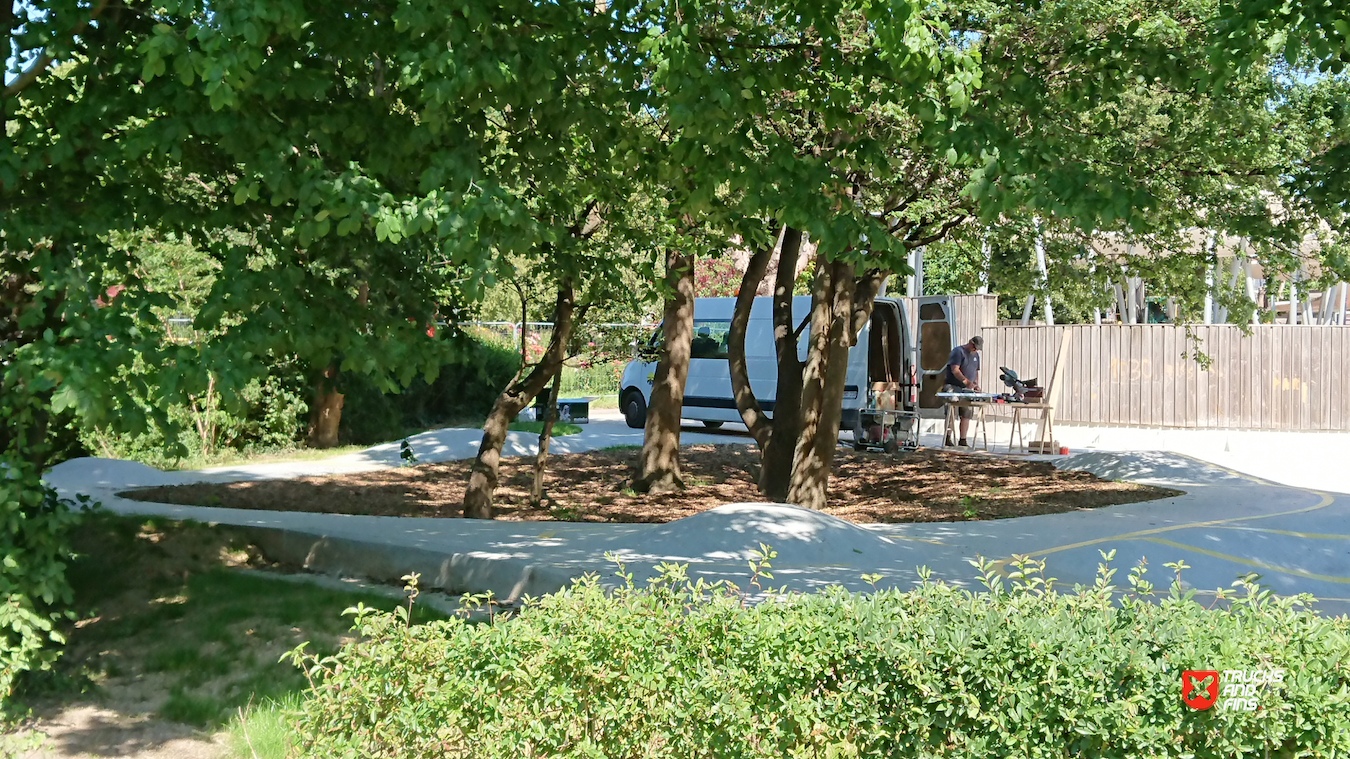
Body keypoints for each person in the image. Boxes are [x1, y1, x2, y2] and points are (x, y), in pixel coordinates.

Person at [942, 335, 983, 447]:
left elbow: (976, 372)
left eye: (977, 348)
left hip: (968, 389)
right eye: (974, 347)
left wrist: (975, 385)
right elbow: (955, 370)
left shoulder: (976, 356)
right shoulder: (958, 352)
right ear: (970, 342)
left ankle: (963, 440)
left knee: (967, 413)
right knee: (952, 411)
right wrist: (966, 381)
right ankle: (948, 437)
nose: (975, 350)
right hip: (954, 386)